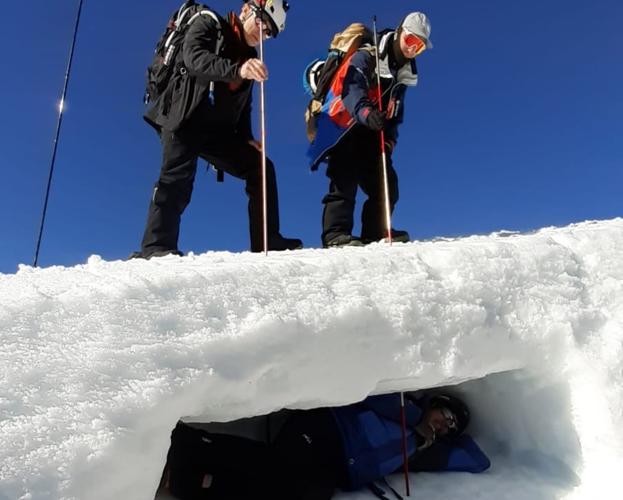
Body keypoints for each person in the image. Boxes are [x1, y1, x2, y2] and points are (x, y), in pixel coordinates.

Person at [134, 0, 302, 259]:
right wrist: (238, 70)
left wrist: (246, 137)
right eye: (261, 22)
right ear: (246, 10)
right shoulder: (209, 22)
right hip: (185, 115)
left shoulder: (251, 57)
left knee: (261, 167)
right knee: (176, 179)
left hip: (217, 131)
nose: (263, 33)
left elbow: (244, 104)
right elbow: (194, 58)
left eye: (269, 32)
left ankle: (268, 240)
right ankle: (156, 248)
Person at [161, 392, 489, 499]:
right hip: (326, 428)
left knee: (303, 493)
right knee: (279, 465)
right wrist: (415, 419)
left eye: (451, 427)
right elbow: (369, 391)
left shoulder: (420, 448)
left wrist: (427, 440)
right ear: (434, 403)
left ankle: (189, 482)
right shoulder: (405, 403)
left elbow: (477, 459)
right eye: (445, 414)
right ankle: (185, 442)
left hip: (336, 466)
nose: (444, 424)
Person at [308, 13, 433, 248]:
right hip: (343, 124)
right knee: (345, 176)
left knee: (386, 182)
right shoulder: (367, 55)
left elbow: (396, 110)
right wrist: (366, 112)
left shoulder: (403, 75)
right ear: (399, 33)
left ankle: (375, 232)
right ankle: (336, 234)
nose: (412, 49)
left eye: (420, 47)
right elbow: (351, 87)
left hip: (371, 131)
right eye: (410, 40)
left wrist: (390, 140)